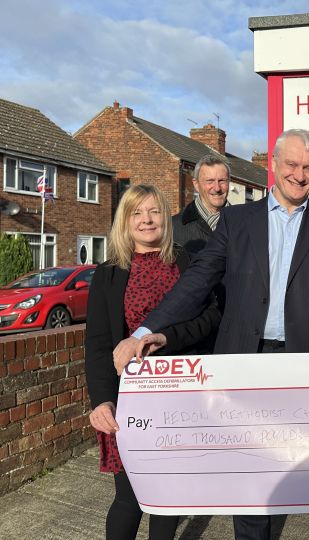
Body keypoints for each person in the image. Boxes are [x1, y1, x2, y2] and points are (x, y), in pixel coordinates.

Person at [123, 129, 309, 540]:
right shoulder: (236, 220)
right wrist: (147, 329)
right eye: (292, 165)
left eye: (308, 169)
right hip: (242, 363)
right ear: (274, 165)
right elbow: (197, 280)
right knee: (251, 476)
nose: (300, 176)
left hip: (305, 361)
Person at [85, 184, 221, 540]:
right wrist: (101, 400)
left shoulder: (188, 264)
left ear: (166, 216)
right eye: (136, 213)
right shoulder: (108, 273)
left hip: (180, 399)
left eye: (154, 211)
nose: (147, 220)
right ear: (125, 221)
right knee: (129, 498)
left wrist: (168, 338)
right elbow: (98, 345)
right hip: (129, 402)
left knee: (169, 497)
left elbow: (211, 319)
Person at [172, 154, 232, 350]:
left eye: (222, 180)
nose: (217, 187)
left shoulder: (246, 225)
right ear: (196, 184)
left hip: (235, 332)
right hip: (190, 336)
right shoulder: (172, 229)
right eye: (209, 181)